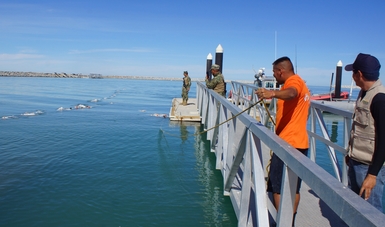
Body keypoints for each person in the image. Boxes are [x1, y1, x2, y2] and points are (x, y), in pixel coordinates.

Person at [255, 56, 310, 226]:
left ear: (281, 71)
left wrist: (272, 93)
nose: (274, 76)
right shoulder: (299, 82)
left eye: (274, 73)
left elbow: (292, 93)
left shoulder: (294, 82)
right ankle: (289, 221)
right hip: (300, 142)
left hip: (288, 144)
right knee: (294, 187)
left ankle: (282, 222)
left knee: (277, 186)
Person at [345, 53, 385, 212]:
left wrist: (373, 174)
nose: (353, 77)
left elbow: (383, 141)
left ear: (359, 74)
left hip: (368, 167)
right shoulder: (363, 93)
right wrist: (350, 153)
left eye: (353, 73)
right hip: (356, 161)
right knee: (354, 207)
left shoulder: (380, 99)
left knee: (370, 211)